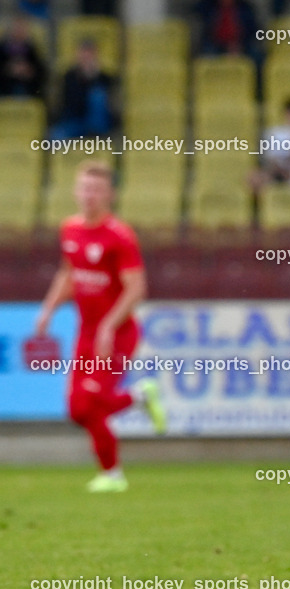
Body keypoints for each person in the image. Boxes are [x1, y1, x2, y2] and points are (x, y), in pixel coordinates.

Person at [35, 162, 166, 493]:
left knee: (91, 402)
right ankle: (138, 397)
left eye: (96, 190)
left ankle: (112, 474)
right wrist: (48, 309)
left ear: (110, 195)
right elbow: (69, 273)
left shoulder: (119, 236)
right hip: (87, 332)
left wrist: (109, 325)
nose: (89, 196)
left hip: (117, 334)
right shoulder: (70, 229)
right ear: (75, 192)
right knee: (77, 409)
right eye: (84, 188)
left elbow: (137, 288)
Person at [50, 40, 115, 140]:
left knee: (98, 95)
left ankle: (96, 135)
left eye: (89, 55)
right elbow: (71, 102)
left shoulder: (104, 77)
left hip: (97, 123)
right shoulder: (69, 76)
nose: (86, 58)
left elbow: (110, 106)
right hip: (74, 121)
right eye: (83, 54)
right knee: (55, 136)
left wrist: (94, 78)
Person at [0, 14, 46, 97]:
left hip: (29, 92)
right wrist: (9, 70)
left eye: (22, 28)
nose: (19, 31)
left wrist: (29, 71)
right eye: (17, 28)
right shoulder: (2, 49)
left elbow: (42, 73)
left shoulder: (33, 50)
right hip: (5, 92)